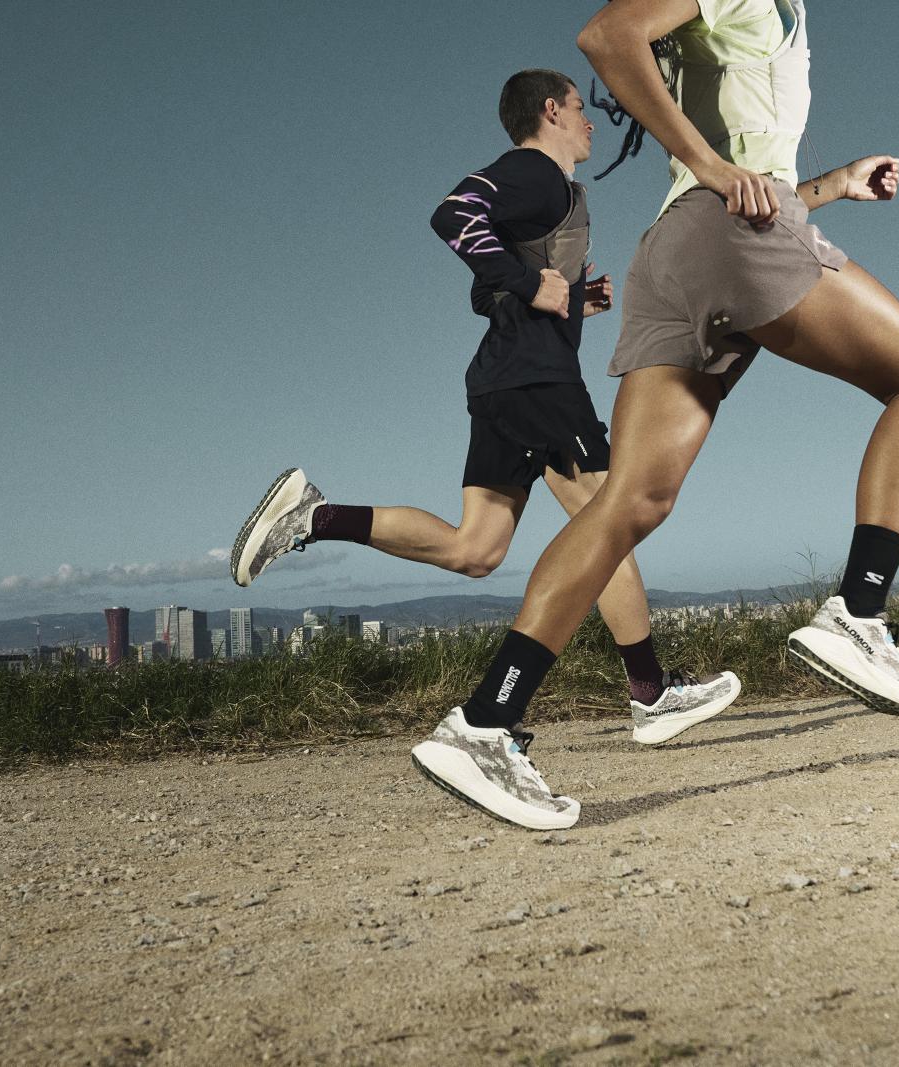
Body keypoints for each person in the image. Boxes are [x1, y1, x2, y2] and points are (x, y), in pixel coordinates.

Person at [409, 0, 899, 829]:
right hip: (729, 233)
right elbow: (605, 36)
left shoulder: (773, 17)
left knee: (630, 499)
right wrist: (704, 162)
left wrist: (833, 184)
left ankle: (484, 721)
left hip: (676, 255)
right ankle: (861, 612)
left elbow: (754, 178)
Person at [230, 70, 741, 781]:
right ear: (550, 110)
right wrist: (535, 285)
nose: (593, 122)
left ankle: (315, 516)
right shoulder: (536, 172)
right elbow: (453, 213)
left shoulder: (546, 195)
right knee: (612, 518)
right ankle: (649, 691)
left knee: (477, 549)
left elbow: (486, 288)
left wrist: (563, 298)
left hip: (505, 377)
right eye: (578, 109)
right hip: (536, 382)